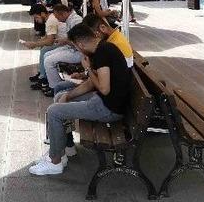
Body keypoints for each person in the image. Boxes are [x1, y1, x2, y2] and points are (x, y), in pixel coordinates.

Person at [29, 23, 130, 176]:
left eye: (76, 47)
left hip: (108, 108)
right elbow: (92, 83)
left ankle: (55, 162)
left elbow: (104, 88)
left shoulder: (103, 53)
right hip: (106, 101)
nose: (77, 50)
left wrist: (88, 69)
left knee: (54, 112)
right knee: (59, 96)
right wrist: (68, 96)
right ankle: (63, 150)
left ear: (81, 44)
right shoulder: (102, 48)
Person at [28, 5, 83, 93]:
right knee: (46, 54)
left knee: (49, 60)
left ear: (63, 14)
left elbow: (80, 42)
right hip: (71, 47)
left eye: (58, 17)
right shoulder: (70, 20)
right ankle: (50, 81)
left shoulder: (76, 21)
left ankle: (54, 87)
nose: (58, 20)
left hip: (78, 52)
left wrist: (65, 41)